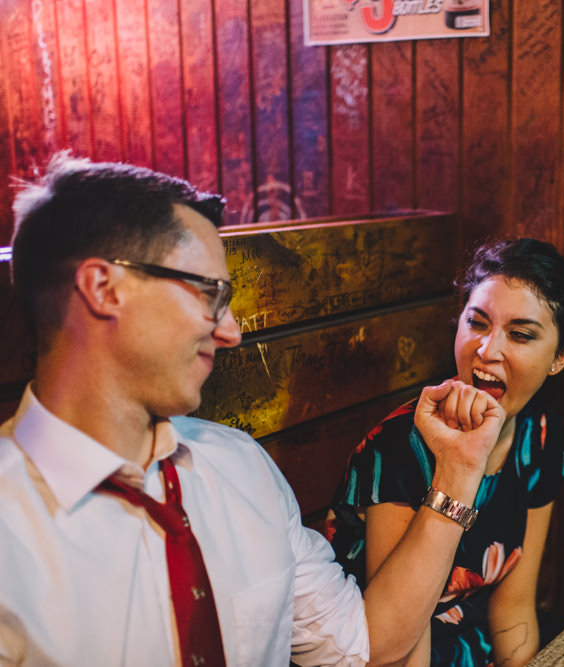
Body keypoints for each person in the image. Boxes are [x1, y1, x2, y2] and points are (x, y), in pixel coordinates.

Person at [0, 152, 503, 666]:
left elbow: (363, 643)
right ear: (105, 288)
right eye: (211, 293)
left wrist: (458, 471)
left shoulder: (238, 465)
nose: (231, 332)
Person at [328, 238, 564, 667]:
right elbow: (394, 646)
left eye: (519, 334)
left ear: (560, 357)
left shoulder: (539, 436)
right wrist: (460, 466)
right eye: (477, 322)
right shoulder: (401, 445)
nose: (486, 349)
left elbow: (513, 608)